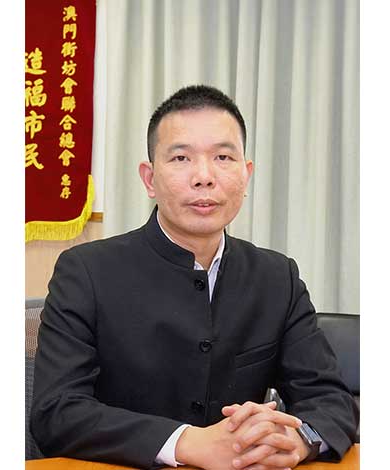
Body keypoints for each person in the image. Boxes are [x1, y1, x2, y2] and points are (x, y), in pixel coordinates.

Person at [30, 85, 358, 469]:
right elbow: (56, 411)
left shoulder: (276, 278)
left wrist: (299, 440)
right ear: (150, 179)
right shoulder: (86, 271)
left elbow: (330, 399)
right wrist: (186, 442)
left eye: (223, 157)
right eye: (181, 158)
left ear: (246, 174)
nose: (204, 176)